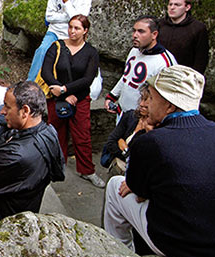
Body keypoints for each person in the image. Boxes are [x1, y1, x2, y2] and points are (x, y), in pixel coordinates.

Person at [103, 65, 215, 257]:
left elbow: (138, 190)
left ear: (168, 106)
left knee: (115, 186)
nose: (146, 104)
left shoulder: (151, 143)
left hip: (178, 245)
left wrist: (141, 187)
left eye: (151, 99)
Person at [0, 81, 65, 222]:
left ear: (25, 111)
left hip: (0, 219)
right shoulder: (48, 132)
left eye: (7, 106)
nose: (2, 111)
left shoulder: (16, 155)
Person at [40, 14, 106, 188]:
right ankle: (55, 166)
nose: (72, 31)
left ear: (85, 31)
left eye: (77, 28)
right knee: (56, 133)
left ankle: (87, 170)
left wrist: (68, 91)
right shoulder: (56, 47)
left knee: (82, 135)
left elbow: (88, 78)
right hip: (57, 97)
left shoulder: (91, 52)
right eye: (70, 27)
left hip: (79, 98)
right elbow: (46, 72)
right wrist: (61, 93)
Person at [104, 15, 177, 121]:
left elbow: (168, 97)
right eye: (134, 31)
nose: (135, 35)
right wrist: (112, 96)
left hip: (142, 119)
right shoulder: (134, 51)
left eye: (141, 31)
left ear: (154, 34)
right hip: (122, 114)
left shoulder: (164, 62)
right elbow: (127, 77)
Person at [27, 0, 93, 82]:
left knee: (64, 62)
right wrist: (68, 16)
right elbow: (49, 17)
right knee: (42, 51)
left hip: (70, 35)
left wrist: (67, 3)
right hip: (54, 31)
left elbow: (78, 21)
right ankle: (30, 83)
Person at [101, 85, 153, 176]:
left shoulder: (154, 129)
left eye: (146, 102)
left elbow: (141, 159)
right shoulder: (130, 116)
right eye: (141, 99)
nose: (141, 104)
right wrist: (126, 153)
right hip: (117, 168)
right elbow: (111, 141)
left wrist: (124, 148)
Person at [157, 0, 209, 74]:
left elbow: (201, 58)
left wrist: (193, 78)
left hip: (183, 77)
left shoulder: (197, 28)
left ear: (187, 7)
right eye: (170, 4)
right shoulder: (159, 25)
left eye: (177, 5)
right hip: (158, 74)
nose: (172, 7)